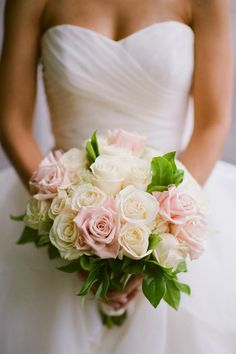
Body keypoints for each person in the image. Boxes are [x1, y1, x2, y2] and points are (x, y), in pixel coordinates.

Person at [0, 0, 235, 353]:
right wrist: (65, 226)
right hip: (56, 209)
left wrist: (159, 238)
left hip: (179, 202)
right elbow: (12, 121)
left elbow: (212, 123)